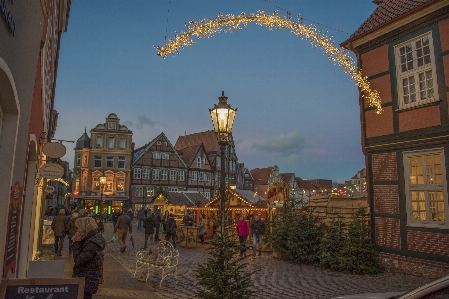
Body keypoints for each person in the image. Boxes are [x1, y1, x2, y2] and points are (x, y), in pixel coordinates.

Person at [72, 217, 106, 299]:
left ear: (84, 228)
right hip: (86, 278)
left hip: (87, 279)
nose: (77, 230)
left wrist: (76, 243)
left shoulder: (92, 243)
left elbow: (79, 260)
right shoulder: (90, 239)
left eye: (78, 228)